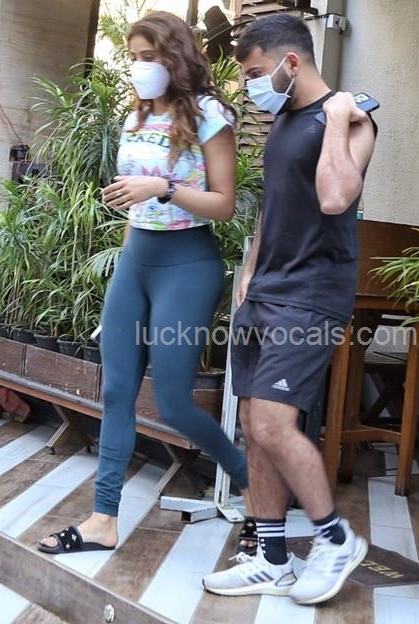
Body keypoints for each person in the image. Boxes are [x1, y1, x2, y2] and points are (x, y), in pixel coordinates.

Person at [37, 11, 252, 555]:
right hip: (135, 262)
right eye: (133, 57)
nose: (139, 66)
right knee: (115, 392)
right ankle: (103, 519)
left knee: (174, 403)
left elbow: (224, 205)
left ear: (175, 56)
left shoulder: (209, 114)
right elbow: (136, 199)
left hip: (188, 265)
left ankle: (251, 480)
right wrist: (132, 209)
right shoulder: (135, 116)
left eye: (149, 57)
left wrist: (163, 188)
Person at [202, 14, 377, 605]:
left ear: (291, 62)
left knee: (274, 423)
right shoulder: (281, 120)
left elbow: (335, 195)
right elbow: (272, 207)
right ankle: (271, 558)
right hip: (267, 291)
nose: (252, 85)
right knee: (254, 423)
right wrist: (250, 270)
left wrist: (336, 118)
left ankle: (335, 539)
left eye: (256, 72)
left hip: (311, 294)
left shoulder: (355, 117)